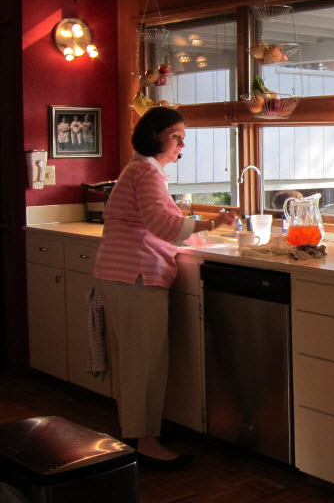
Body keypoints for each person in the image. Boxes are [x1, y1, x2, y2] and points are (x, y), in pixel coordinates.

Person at [93, 106, 237, 470]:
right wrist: (211, 221)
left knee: (132, 361)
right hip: (136, 277)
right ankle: (145, 443)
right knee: (145, 362)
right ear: (155, 136)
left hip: (120, 274)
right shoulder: (147, 173)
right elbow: (162, 224)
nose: (182, 143)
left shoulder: (138, 169)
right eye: (176, 136)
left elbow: (156, 221)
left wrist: (196, 231)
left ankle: (136, 433)